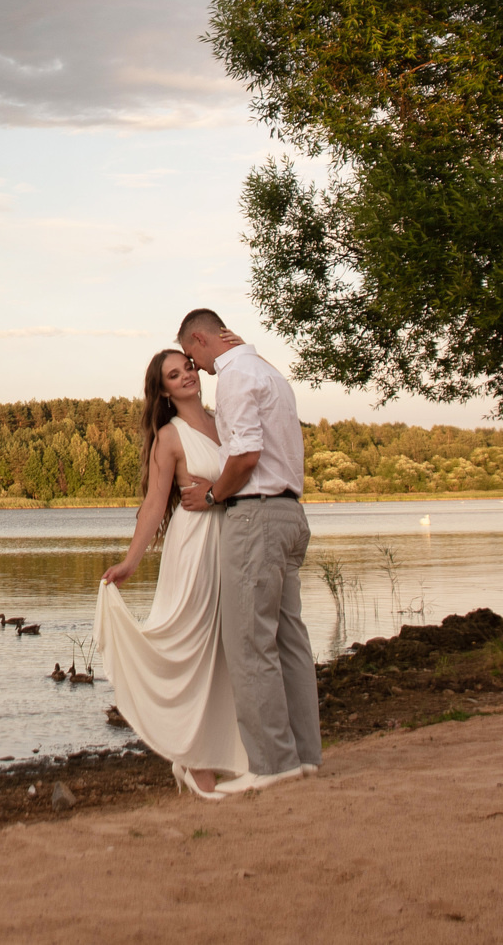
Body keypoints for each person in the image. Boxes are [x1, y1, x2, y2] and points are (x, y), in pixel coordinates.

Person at [94, 348, 253, 799]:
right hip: (193, 547)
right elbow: (153, 505)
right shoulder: (169, 436)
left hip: (233, 543)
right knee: (188, 646)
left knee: (227, 652)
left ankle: (222, 756)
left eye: (187, 368)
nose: (186, 377)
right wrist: (130, 562)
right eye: (173, 375)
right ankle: (193, 764)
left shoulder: (225, 421)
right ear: (162, 389)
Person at [176, 307, 321, 785]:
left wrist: (215, 494)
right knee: (290, 642)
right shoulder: (270, 373)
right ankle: (304, 756)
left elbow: (247, 454)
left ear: (200, 338)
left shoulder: (236, 378)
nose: (196, 369)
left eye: (192, 358)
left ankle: (272, 766)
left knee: (248, 644)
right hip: (291, 514)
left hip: (256, 516)